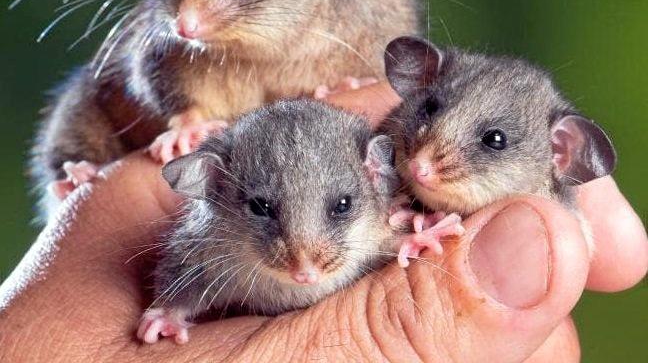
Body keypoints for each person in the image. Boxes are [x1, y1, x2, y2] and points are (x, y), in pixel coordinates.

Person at [0, 84, 645, 362]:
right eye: (263, 209)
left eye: (339, 209)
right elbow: (177, 276)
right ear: (215, 186)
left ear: (375, 178)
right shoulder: (208, 244)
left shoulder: (390, 214)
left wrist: (410, 237)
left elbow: (397, 238)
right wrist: (170, 311)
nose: (304, 258)